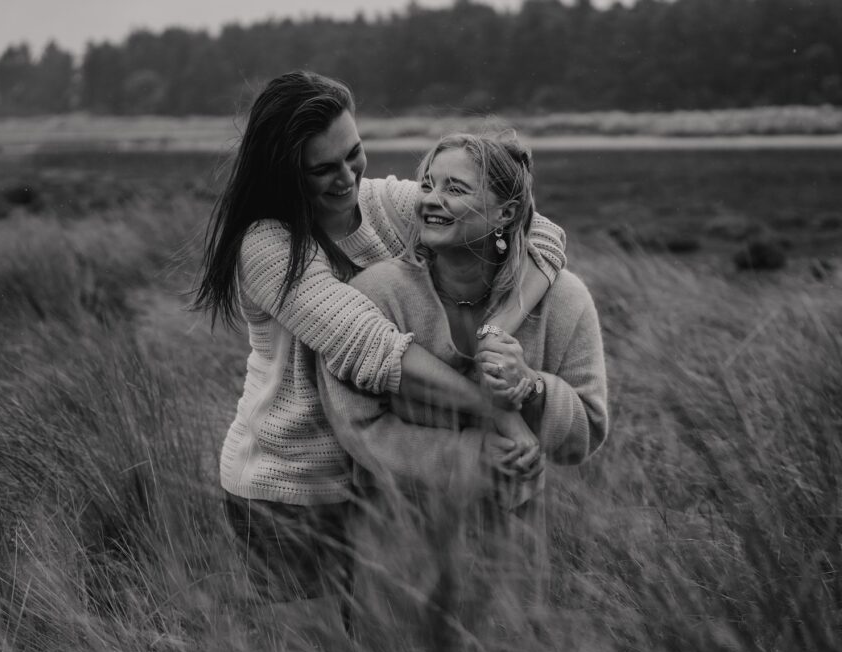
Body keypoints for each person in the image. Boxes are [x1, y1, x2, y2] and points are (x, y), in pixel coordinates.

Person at [192, 72, 568, 611]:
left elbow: (540, 232)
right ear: (284, 172)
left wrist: (498, 329)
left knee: (391, 649)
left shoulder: (386, 203)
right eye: (322, 169)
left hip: (384, 479)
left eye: (354, 154)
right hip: (290, 489)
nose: (346, 177)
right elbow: (373, 348)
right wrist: (500, 414)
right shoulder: (266, 245)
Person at [317, 131, 608, 646]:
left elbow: (581, 439)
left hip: (511, 549)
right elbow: (355, 426)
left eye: (455, 188)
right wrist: (472, 456)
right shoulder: (375, 293)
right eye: (427, 184)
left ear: (503, 213)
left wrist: (534, 388)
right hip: (395, 541)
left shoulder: (564, 301)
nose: (430, 199)